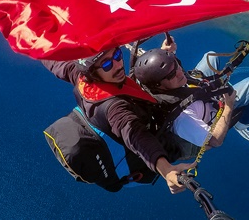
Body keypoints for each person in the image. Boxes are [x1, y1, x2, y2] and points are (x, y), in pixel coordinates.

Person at [42, 47, 193, 194]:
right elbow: (136, 136)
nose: (118, 64)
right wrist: (166, 169)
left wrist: (28, 41)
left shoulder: (81, 76)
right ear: (92, 72)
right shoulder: (115, 109)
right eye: (107, 64)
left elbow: (55, 62)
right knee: (214, 137)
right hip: (150, 151)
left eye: (117, 54)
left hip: (141, 116)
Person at [132, 38, 249, 156]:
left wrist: (165, 53)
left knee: (210, 56)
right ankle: (244, 123)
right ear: (159, 85)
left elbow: (168, 71)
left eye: (176, 65)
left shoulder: (157, 84)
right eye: (171, 75)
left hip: (195, 91)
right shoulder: (182, 118)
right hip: (210, 110)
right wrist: (228, 106)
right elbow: (215, 141)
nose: (179, 73)